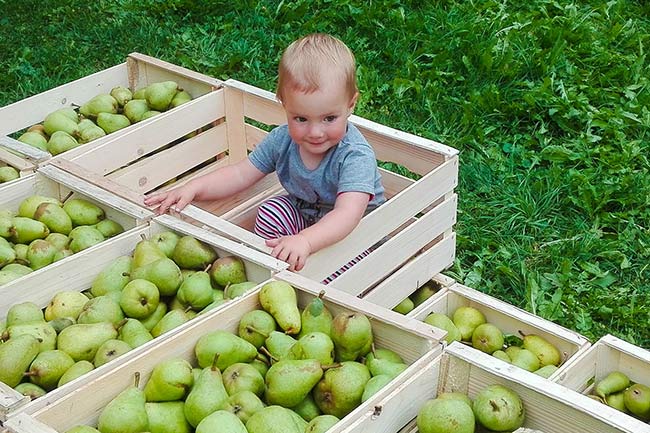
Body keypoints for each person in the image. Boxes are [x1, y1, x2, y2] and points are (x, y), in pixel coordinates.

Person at [144, 33, 385, 281]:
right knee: (271, 211)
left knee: (345, 260)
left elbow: (347, 214)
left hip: (355, 234)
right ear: (284, 105)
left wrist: (306, 240)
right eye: (301, 119)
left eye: (329, 119)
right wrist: (194, 187)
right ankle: (283, 265)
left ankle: (317, 278)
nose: (315, 132)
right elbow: (240, 174)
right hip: (306, 220)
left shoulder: (354, 156)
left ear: (351, 104)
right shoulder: (282, 140)